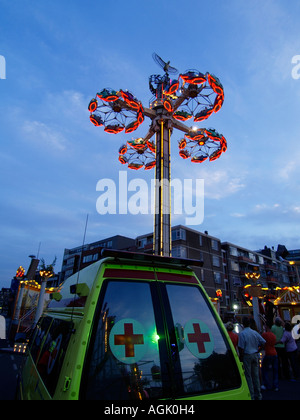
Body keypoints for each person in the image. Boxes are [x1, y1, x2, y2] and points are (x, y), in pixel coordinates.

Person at [238, 316, 266, 400]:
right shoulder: (254, 332)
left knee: (248, 376)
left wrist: (241, 357)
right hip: (255, 354)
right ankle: (259, 394)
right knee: (256, 375)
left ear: (243, 324)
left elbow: (241, 347)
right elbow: (263, 342)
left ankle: (252, 394)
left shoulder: (242, 334)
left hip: (247, 355)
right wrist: (259, 349)